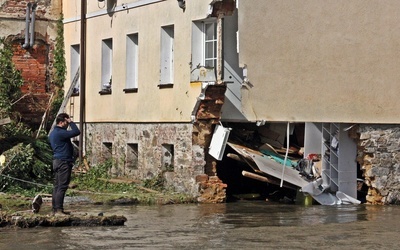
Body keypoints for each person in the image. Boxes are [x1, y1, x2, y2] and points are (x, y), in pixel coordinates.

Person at [49, 113, 80, 215]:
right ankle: (58, 210)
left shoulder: (53, 133)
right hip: (63, 162)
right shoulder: (60, 132)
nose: (67, 125)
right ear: (61, 122)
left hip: (57, 161)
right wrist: (71, 122)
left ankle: (55, 210)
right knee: (62, 187)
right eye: (66, 122)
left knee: (57, 186)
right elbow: (77, 131)